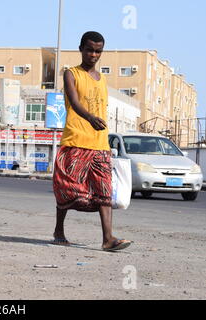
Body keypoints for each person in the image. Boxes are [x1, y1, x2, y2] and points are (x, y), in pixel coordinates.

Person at [52, 31, 132, 251]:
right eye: (89, 50)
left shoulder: (102, 78)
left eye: (98, 51)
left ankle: (108, 239)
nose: (93, 55)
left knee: (104, 191)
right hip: (76, 139)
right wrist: (89, 118)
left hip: (99, 143)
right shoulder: (71, 74)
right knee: (67, 189)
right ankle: (59, 229)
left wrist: (99, 127)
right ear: (81, 49)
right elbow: (74, 102)